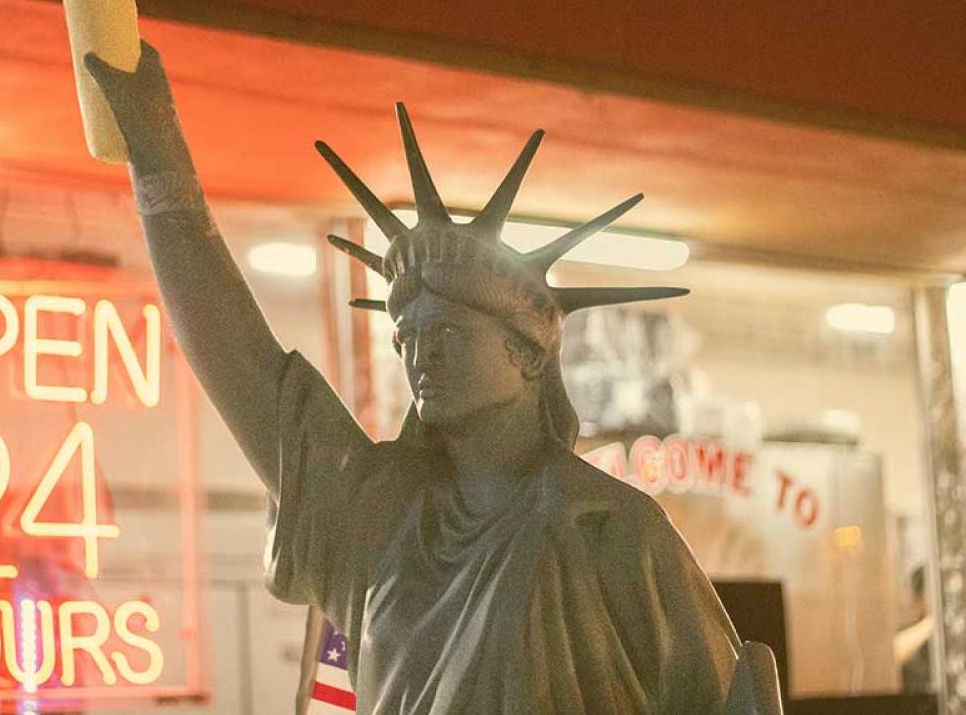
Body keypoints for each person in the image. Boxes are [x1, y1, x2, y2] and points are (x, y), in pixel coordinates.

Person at [83, 42, 774, 714]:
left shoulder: (611, 531)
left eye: (447, 332)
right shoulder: (378, 517)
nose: (421, 356)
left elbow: (719, 699)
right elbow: (244, 369)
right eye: (406, 336)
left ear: (528, 354)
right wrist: (158, 159)